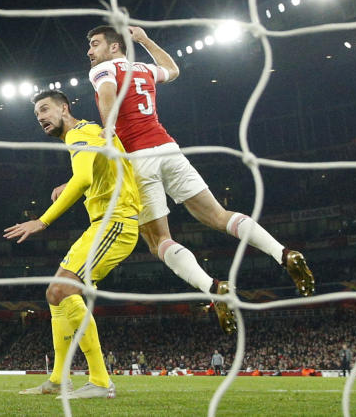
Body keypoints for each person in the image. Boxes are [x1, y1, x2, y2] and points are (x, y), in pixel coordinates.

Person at [82, 25, 314, 334]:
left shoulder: (103, 70)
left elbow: (109, 92)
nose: (89, 51)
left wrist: (109, 128)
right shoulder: (144, 69)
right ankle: (284, 253)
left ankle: (214, 287)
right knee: (219, 215)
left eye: (95, 44)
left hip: (137, 158)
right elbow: (173, 70)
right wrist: (145, 40)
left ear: (113, 48)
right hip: (168, 148)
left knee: (158, 241)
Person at [7, 90, 141, 399]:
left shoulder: (79, 133)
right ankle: (58, 379)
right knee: (55, 293)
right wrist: (70, 182)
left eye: (45, 109)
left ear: (65, 108)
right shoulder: (90, 132)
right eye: (36, 113)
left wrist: (42, 221)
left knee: (64, 288)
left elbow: (82, 179)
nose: (40, 117)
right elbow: (101, 167)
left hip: (116, 222)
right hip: (104, 223)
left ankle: (101, 381)